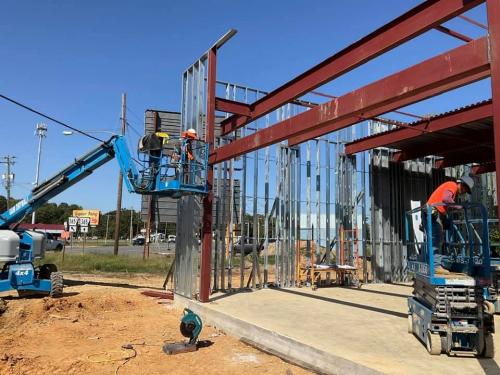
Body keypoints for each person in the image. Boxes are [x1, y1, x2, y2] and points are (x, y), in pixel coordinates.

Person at [425, 176, 474, 274]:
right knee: (436, 239)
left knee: (439, 238)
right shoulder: (453, 185)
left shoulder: (452, 189)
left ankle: (436, 263)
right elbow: (446, 199)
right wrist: (460, 206)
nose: (464, 192)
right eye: (465, 189)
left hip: (434, 213)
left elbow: (446, 202)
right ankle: (435, 266)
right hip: (433, 212)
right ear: (462, 184)